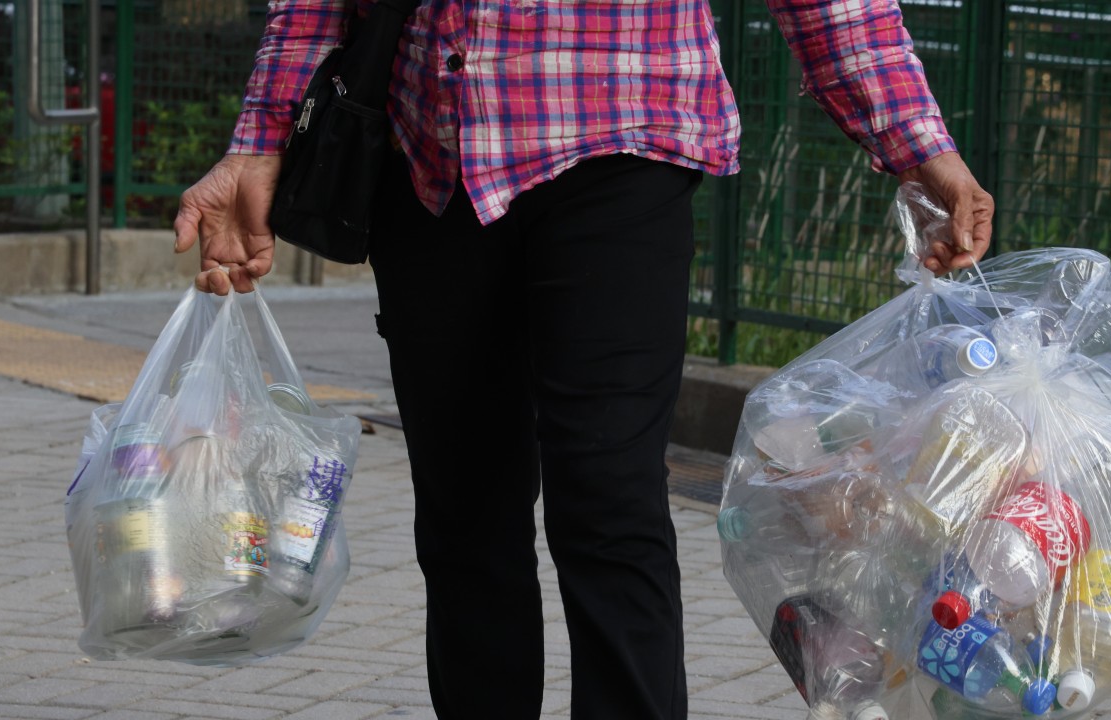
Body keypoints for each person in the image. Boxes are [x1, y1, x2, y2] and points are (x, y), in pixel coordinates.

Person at [174, 1, 993, 718]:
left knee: (607, 504)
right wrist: (259, 140)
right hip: (428, 159)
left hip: (622, 141)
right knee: (465, 518)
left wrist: (918, 143)